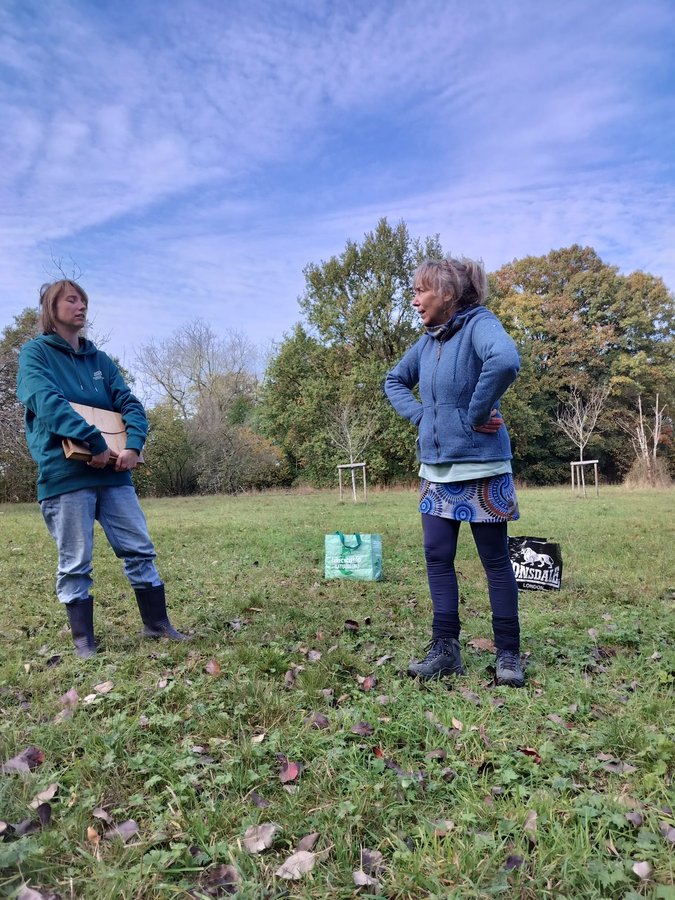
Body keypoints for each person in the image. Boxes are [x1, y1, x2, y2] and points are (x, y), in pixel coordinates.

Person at [16, 279, 187, 658]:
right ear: (50, 308)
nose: (81, 307)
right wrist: (94, 442)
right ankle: (84, 643)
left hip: (114, 475)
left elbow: (131, 404)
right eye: (72, 300)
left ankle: (156, 625)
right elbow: (47, 403)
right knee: (75, 563)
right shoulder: (34, 356)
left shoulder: (101, 361)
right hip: (65, 477)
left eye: (84, 301)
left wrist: (132, 446)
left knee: (139, 549)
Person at [385, 257, 524, 687]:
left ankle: (508, 655)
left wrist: (475, 411)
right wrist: (421, 417)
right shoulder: (426, 342)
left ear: (447, 293)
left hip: (482, 467)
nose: (414, 300)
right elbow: (393, 381)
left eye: (420, 291)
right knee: (437, 558)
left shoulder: (480, 323)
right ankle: (445, 649)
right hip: (436, 470)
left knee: (495, 561)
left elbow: (504, 360)